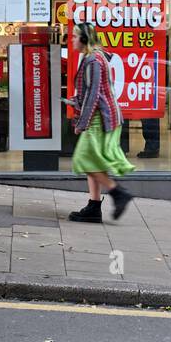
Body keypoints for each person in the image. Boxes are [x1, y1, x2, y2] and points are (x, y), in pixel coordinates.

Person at [67, 22, 135, 223]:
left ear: (85, 39)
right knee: (93, 160)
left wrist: (82, 122)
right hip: (101, 115)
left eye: (74, 36)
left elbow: (94, 95)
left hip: (100, 117)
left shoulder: (94, 60)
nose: (71, 40)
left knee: (83, 159)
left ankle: (118, 193)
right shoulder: (92, 57)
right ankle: (94, 207)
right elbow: (90, 91)